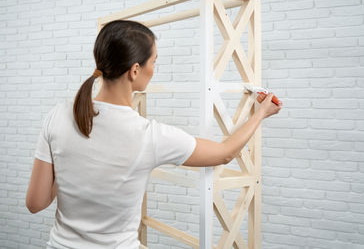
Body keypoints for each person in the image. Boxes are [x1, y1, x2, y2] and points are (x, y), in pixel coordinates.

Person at [25, 20, 282, 249]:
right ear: (135, 70)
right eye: (154, 61)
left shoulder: (57, 116)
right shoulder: (150, 136)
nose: (154, 68)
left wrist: (72, 171)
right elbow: (225, 154)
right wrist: (260, 114)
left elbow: (35, 203)